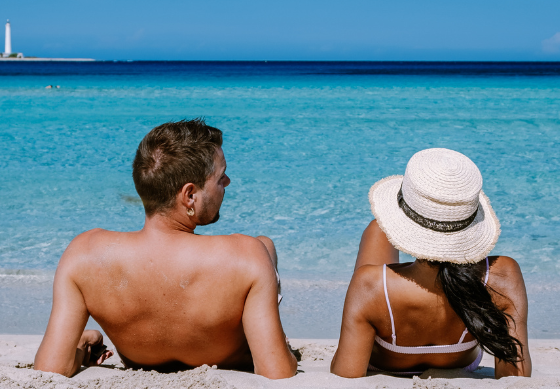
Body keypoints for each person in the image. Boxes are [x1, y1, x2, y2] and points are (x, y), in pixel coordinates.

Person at [33, 118, 297, 379]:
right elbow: (276, 372)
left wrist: (80, 346)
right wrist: (284, 350)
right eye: (220, 176)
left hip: (141, 358)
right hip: (226, 356)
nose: (227, 182)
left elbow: (50, 369)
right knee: (266, 246)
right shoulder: (247, 256)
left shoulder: (84, 255)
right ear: (190, 196)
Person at [330, 148, 531, 378]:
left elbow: (344, 373)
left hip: (385, 357)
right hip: (461, 360)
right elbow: (515, 377)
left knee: (377, 230)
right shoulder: (503, 274)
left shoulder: (369, 285)